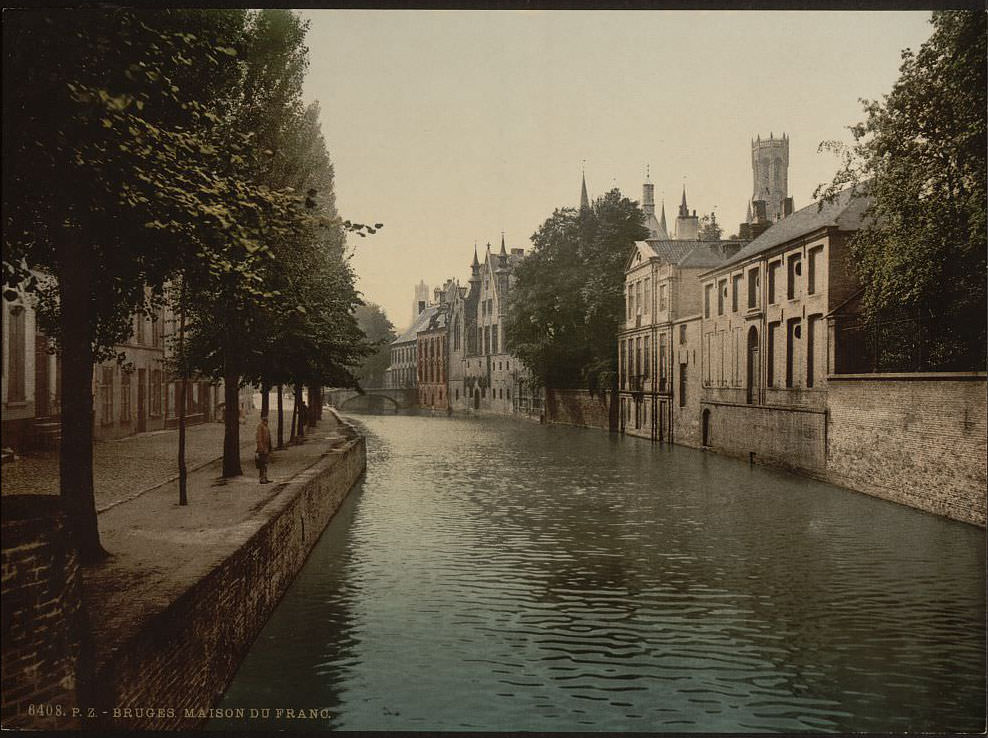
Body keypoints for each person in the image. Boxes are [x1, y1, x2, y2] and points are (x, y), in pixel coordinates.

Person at [255, 413, 272, 484]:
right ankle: (262, 478)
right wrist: (261, 448)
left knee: (265, 464)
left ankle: (265, 477)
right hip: (262, 449)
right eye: (265, 417)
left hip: (266, 448)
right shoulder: (260, 426)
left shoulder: (266, 426)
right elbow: (259, 438)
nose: (266, 418)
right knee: (262, 464)